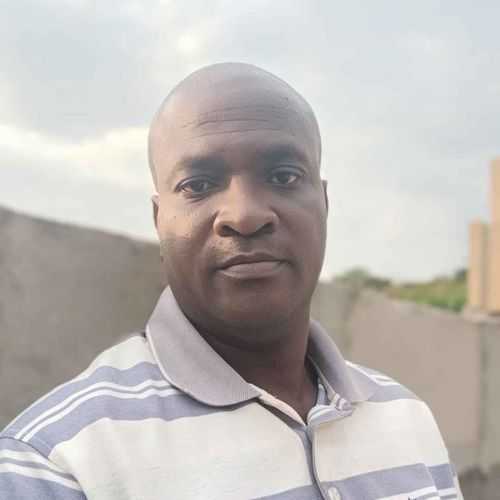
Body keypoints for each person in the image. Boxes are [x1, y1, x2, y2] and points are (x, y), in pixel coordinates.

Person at [0, 63, 463, 500]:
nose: (244, 215)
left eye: (284, 176)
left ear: (324, 203)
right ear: (159, 220)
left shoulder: (406, 418)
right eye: (198, 185)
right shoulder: (56, 463)